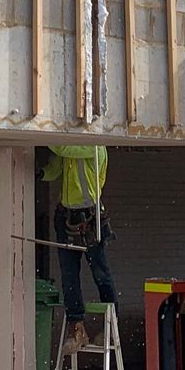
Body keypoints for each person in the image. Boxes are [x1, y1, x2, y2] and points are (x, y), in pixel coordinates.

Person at [44, 144, 116, 347]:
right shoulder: (68, 143)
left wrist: (45, 132)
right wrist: (42, 172)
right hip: (67, 215)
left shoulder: (94, 145)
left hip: (90, 217)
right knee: (69, 275)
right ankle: (77, 327)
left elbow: (65, 149)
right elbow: (56, 166)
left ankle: (111, 326)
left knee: (100, 273)